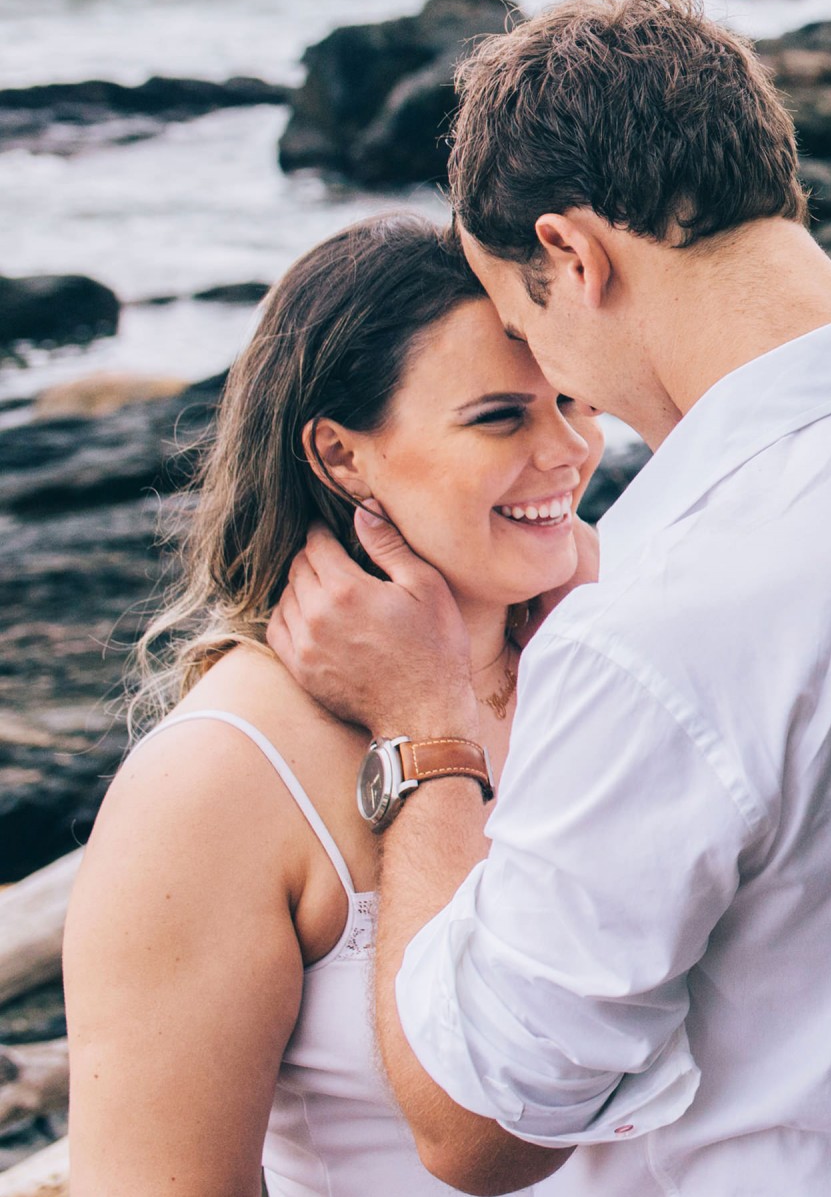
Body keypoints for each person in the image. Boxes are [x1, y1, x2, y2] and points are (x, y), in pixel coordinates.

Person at [265, 0, 831, 1194]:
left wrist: (426, 733)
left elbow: (479, 1126)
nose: (556, 385)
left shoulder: (660, 621)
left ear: (570, 256)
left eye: (524, 319)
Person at [62, 214, 608, 1196]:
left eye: (573, 400)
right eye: (499, 416)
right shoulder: (216, 780)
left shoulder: (614, 658)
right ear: (342, 457)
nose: (569, 449)